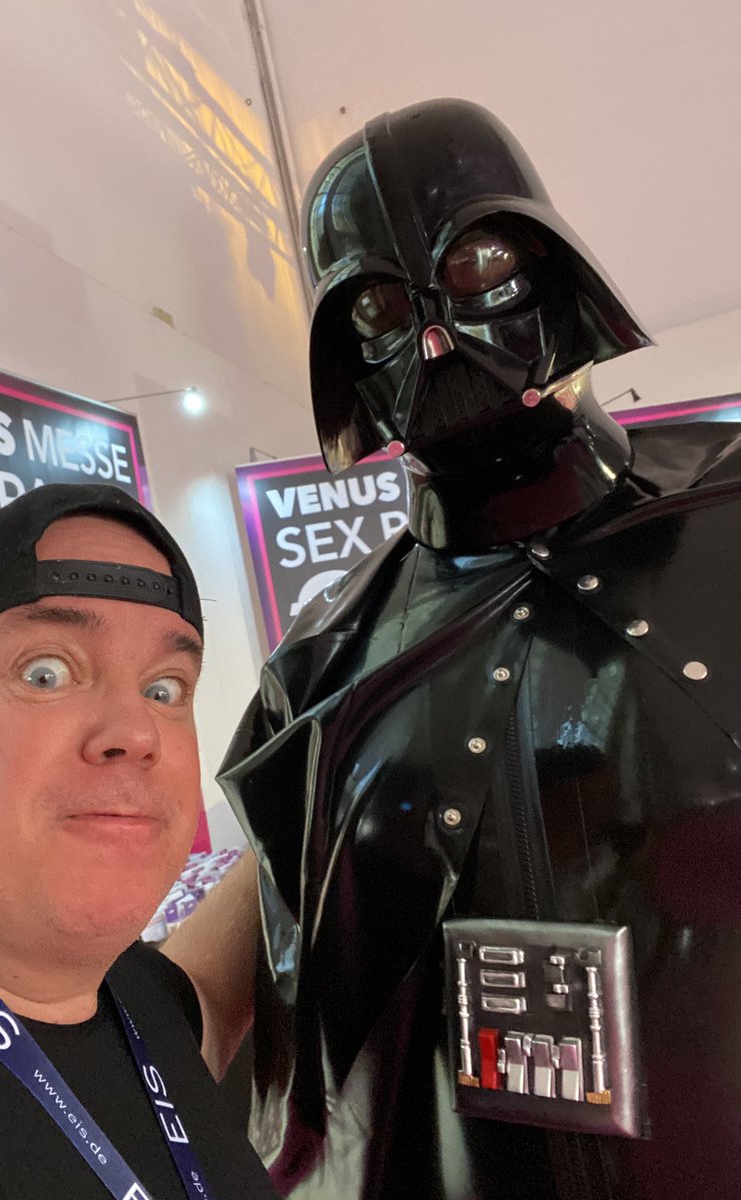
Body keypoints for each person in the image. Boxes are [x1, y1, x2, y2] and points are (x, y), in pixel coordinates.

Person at [215, 99, 741, 1199]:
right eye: (378, 308)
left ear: (551, 262)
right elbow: (306, 1055)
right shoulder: (322, 670)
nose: (435, 339)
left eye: (476, 267)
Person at [0, 482, 273, 1200]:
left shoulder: (123, 1000)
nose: (136, 732)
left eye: (165, 688)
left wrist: (323, 796)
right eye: (46, 673)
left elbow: (206, 996)